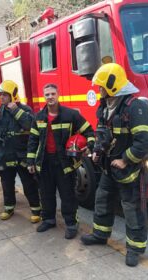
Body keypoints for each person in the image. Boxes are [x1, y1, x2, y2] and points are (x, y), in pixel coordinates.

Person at [80, 63, 148, 267]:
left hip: (131, 171)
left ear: (112, 86)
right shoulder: (104, 105)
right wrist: (97, 151)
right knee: (102, 201)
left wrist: (125, 159)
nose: (98, 89)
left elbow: (147, 142)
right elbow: (101, 133)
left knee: (133, 211)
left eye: (101, 85)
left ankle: (134, 249)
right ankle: (100, 234)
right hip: (109, 169)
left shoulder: (134, 106)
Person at [27, 83, 95, 239]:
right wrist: (31, 162)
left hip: (65, 163)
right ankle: (49, 220)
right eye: (47, 95)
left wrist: (89, 145)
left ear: (58, 95)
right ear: (44, 97)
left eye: (52, 94)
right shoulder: (38, 117)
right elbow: (33, 140)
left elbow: (89, 131)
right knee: (46, 194)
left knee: (67, 195)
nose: (50, 97)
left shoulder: (71, 115)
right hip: (45, 162)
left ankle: (71, 224)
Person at [0, 80, 41, 222]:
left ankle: (36, 210)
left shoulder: (24, 109)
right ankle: (9, 207)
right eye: (0, 95)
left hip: (21, 154)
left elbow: (30, 125)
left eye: (4, 94)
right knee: (7, 183)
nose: (1, 97)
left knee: (28, 183)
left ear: (13, 95)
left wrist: (15, 110)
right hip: (5, 154)